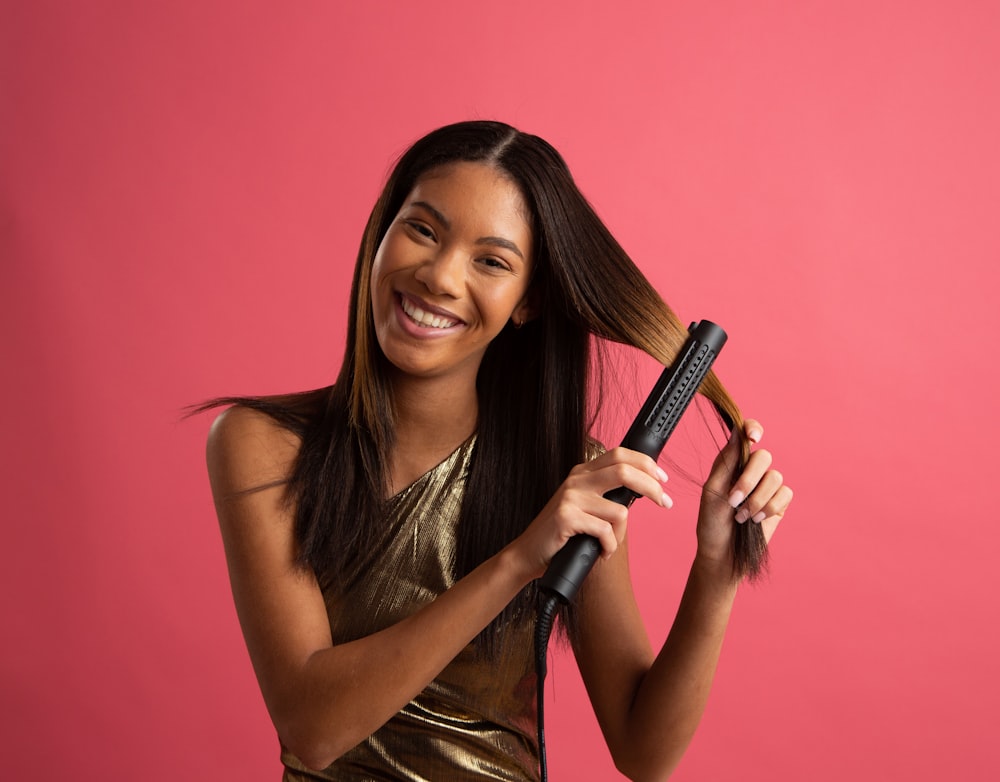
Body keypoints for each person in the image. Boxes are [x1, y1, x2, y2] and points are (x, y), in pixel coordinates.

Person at [204, 120, 793, 781]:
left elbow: (644, 752)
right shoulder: (262, 445)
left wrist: (716, 572)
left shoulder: (567, 481)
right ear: (381, 231)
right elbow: (311, 729)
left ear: (528, 300)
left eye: (491, 261)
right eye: (422, 230)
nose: (439, 276)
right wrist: (518, 561)